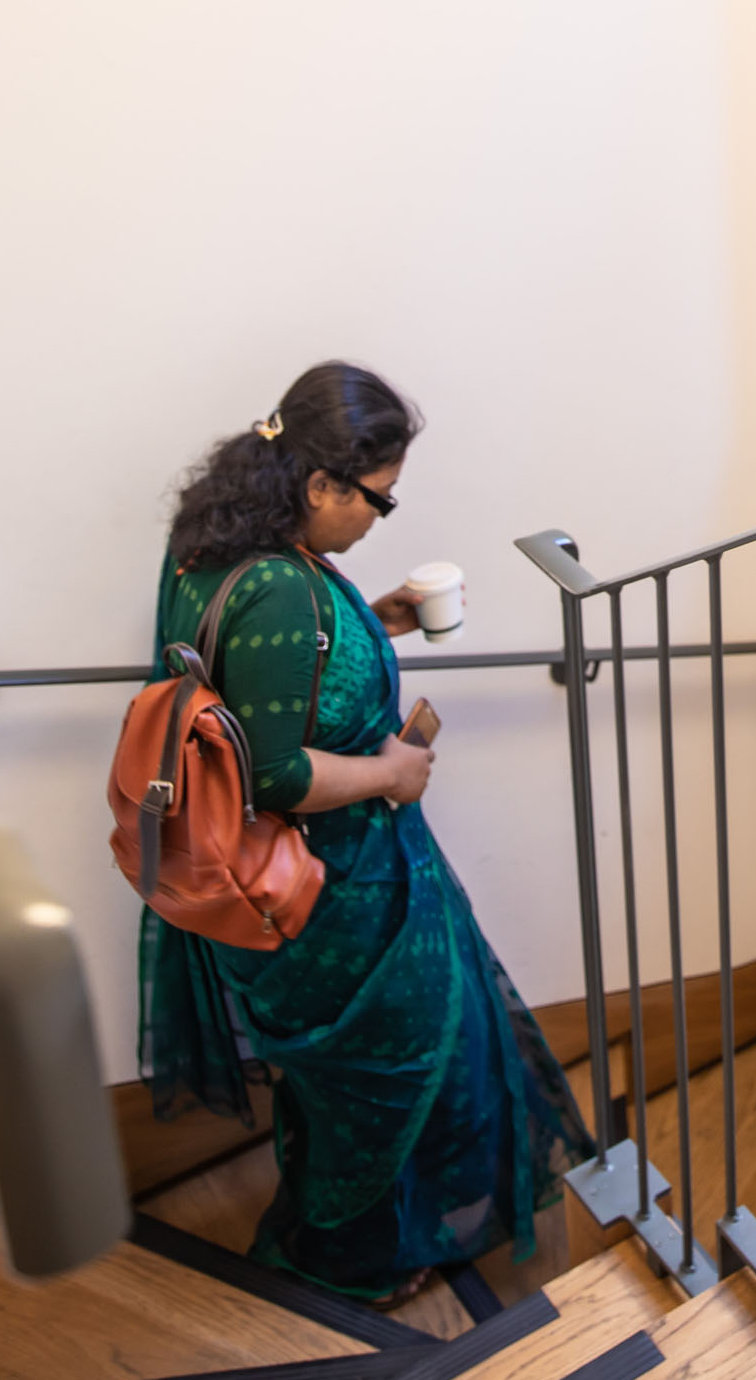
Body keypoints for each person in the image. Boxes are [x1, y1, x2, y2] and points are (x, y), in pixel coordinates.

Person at [139, 359, 589, 1300]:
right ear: (319, 484)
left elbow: (258, 683)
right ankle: (350, 1265)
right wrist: (394, 772)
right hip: (330, 893)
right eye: (378, 500)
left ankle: (358, 1235)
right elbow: (272, 773)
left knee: (344, 1085)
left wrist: (372, 623)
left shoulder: (209, 543)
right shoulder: (282, 590)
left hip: (271, 886)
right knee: (391, 1075)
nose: (381, 517)